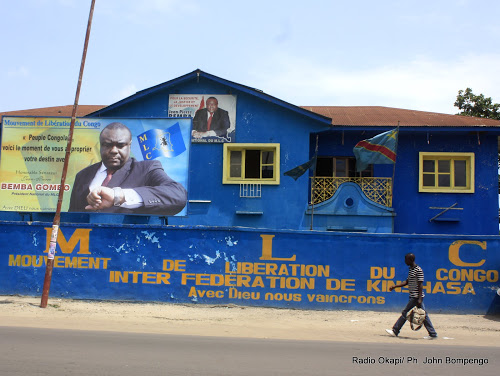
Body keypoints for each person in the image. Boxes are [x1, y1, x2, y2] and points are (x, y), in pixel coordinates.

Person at [69, 122, 187, 215]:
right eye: (107, 145)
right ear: (100, 145)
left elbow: (178, 195)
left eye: (120, 145)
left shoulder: (147, 169)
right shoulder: (83, 176)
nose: (114, 150)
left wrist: (119, 196)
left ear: (129, 146)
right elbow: (72, 217)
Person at [385, 253, 438, 339]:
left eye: (406, 260)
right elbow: (407, 282)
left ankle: (395, 330)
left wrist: (420, 299)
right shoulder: (411, 269)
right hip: (414, 296)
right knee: (423, 315)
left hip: (416, 297)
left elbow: (421, 285)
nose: (405, 261)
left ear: (410, 260)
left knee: (405, 313)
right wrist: (395, 286)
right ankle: (433, 334)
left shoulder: (418, 270)